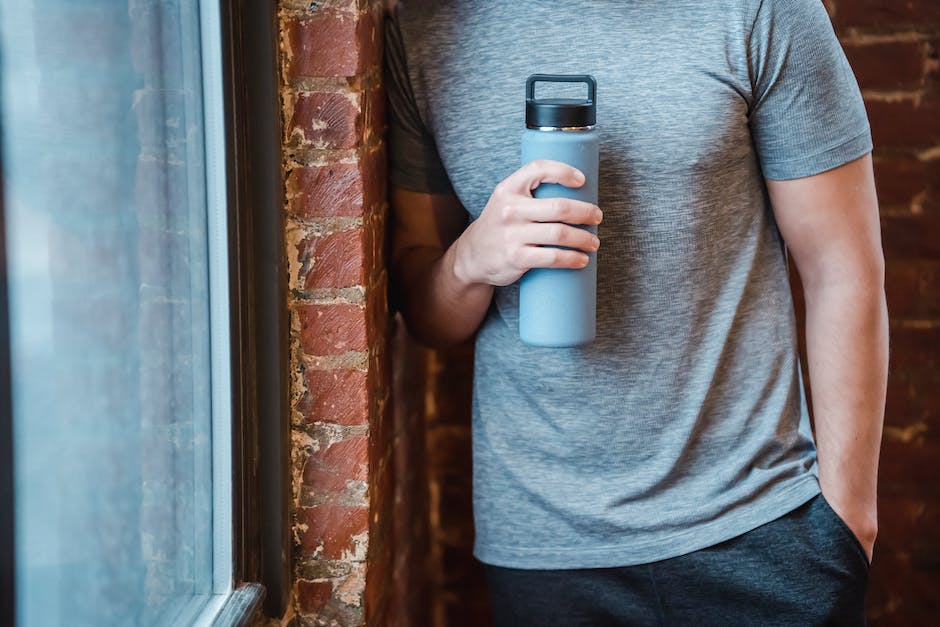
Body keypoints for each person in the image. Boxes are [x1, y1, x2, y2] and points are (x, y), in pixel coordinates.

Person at [384, 0, 888, 624]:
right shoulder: (426, 31)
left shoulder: (761, 11)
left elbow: (842, 265)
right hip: (548, 548)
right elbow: (427, 317)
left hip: (762, 526)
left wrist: (848, 524)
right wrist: (470, 261)